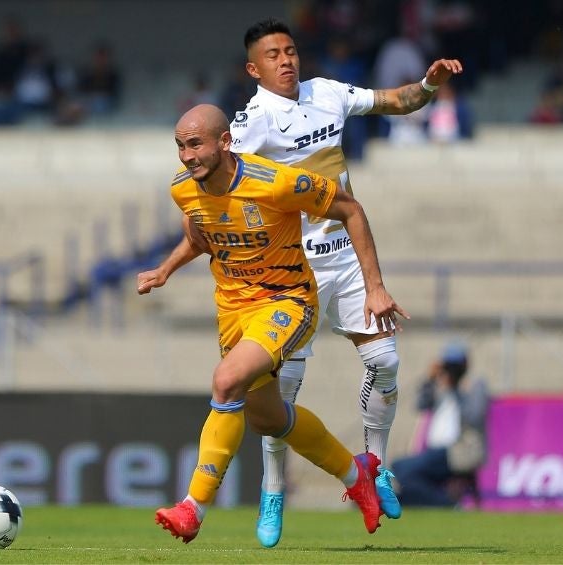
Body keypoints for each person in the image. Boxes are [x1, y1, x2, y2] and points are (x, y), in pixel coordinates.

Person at [228, 18, 461, 547]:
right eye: (273, 54)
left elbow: (399, 102)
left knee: (386, 362)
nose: (286, 60)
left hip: (347, 258)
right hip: (291, 270)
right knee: (281, 392)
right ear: (254, 68)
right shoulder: (253, 122)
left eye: (290, 50)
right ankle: (272, 489)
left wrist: (428, 85)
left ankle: (375, 468)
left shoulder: (327, 93)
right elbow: (226, 182)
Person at [137, 104, 405, 544]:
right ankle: (355, 474)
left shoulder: (277, 182)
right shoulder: (184, 189)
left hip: (288, 302)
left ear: (224, 142)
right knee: (267, 418)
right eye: (180, 146)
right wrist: (166, 269)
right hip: (233, 313)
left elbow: (351, 210)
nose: (186, 156)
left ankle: (193, 507)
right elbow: (198, 237)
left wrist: (375, 287)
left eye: (195, 144)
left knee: (226, 382)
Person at [391, 340, 490, 507]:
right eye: (449, 365)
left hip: (460, 451)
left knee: (403, 470)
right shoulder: (440, 385)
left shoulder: (475, 385)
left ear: (465, 364)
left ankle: (448, 505)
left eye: (456, 365)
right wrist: (429, 379)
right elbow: (421, 404)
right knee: (401, 471)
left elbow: (474, 417)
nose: (453, 370)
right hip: (436, 452)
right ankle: (430, 502)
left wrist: (457, 389)